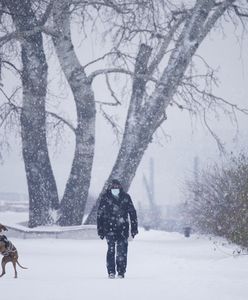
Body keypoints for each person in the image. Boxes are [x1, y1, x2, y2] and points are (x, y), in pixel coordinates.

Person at [97, 179, 138, 279]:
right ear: (110, 187)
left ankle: (121, 271)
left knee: (122, 251)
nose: (115, 188)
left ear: (120, 187)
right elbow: (100, 215)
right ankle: (111, 271)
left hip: (122, 229)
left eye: (117, 187)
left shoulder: (126, 197)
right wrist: (100, 229)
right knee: (111, 250)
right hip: (109, 228)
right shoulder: (105, 198)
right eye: (113, 187)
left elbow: (132, 213)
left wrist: (134, 228)